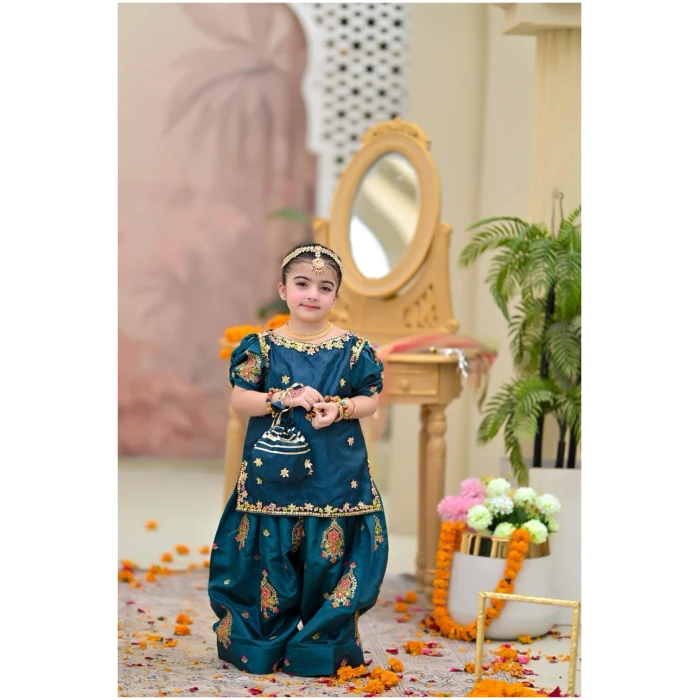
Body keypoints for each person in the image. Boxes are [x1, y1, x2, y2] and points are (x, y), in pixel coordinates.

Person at [208, 242, 389, 677]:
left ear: (336, 296)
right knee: (270, 565)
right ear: (283, 289)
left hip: (336, 476)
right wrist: (282, 398)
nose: (312, 294)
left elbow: (370, 400)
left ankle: (321, 646)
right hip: (274, 479)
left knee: (333, 564)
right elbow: (240, 400)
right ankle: (262, 644)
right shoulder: (262, 347)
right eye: (302, 283)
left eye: (324, 287)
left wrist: (340, 408)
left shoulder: (354, 349)